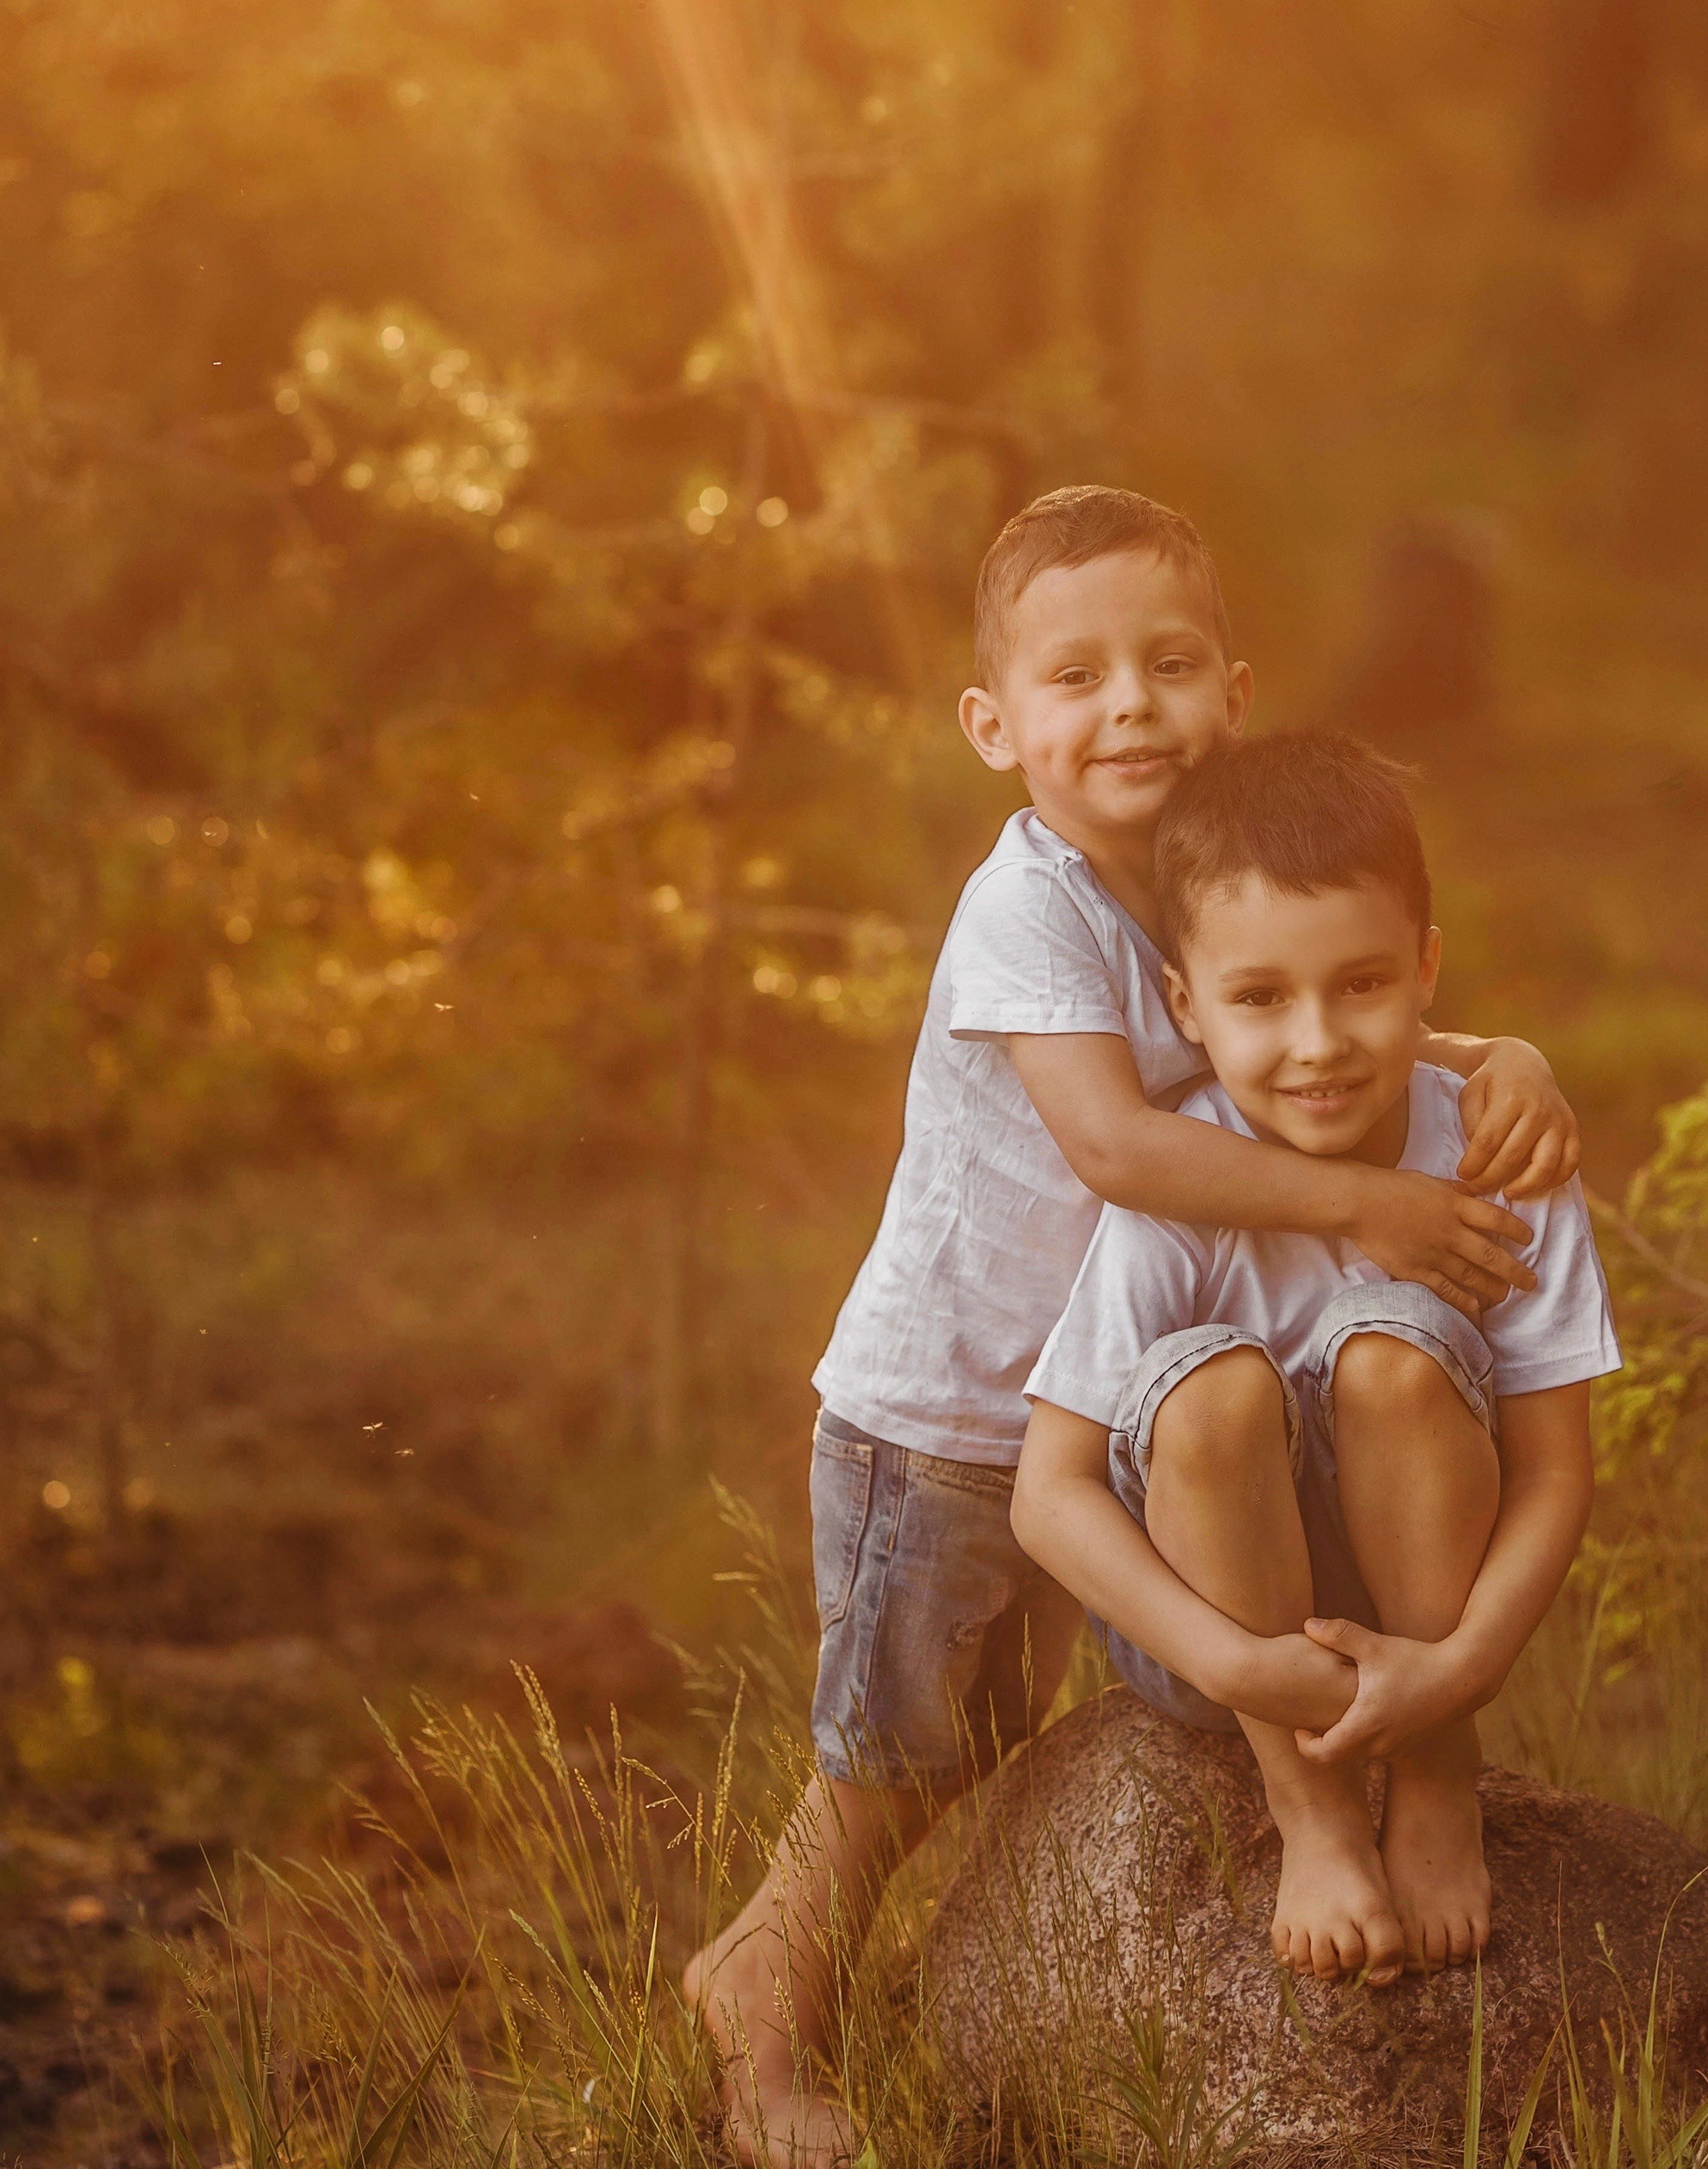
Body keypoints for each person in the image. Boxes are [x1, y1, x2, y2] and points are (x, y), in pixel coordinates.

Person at [684, 489, 1583, 2162]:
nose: (1128, 710)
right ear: (992, 727)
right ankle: (762, 2011)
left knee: (1021, 1732)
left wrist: (1493, 1058)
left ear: (1231, 693)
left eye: (1167, 666)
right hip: (955, 1416)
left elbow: (1292, 1001)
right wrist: (1366, 1205)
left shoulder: (1194, 872)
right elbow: (1114, 1143)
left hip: (1121, 1399)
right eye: (1076, 678)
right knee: (896, 1766)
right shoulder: (1025, 904)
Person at [1012, 726, 1619, 1983]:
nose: (1318, 1043)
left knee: (1391, 1353)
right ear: (1186, 1004)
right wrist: (1236, 1661)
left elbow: (1557, 1470)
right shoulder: (1183, 1183)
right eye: (1258, 999)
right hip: (1228, 1635)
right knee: (1209, 1390)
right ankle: (1314, 1811)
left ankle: (1436, 1779)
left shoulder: (1500, 1156)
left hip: (1431, 1611)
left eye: (1361, 984)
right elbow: (1048, 1491)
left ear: (1427, 967)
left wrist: (1461, 1675)